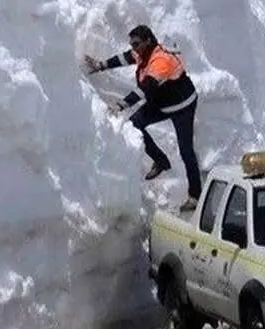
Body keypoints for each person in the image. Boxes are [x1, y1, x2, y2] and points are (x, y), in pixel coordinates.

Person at [83, 25, 202, 211]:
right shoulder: (142, 52)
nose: (134, 48)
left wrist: (122, 104)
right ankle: (161, 161)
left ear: (148, 41)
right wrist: (101, 65)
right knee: (135, 125)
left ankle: (195, 195)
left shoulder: (161, 60)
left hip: (182, 106)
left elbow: (146, 88)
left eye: (136, 44)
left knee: (186, 151)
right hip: (162, 102)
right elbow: (126, 58)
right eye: (132, 44)